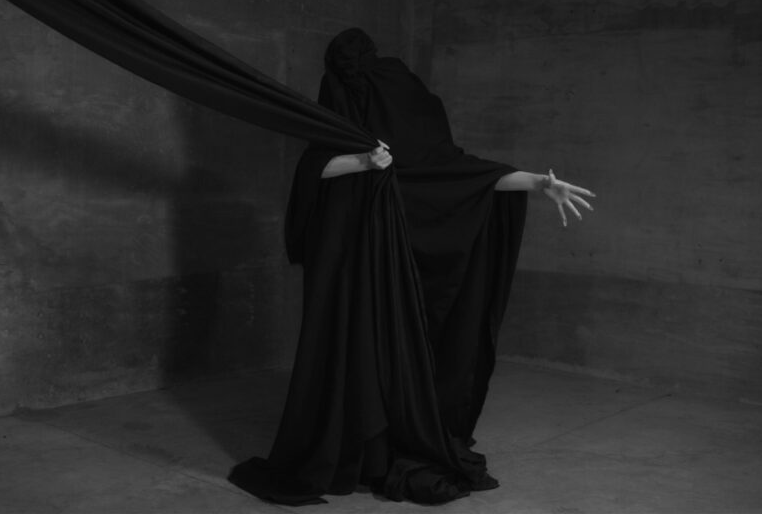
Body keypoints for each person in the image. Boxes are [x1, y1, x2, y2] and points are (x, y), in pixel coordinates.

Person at [229, 28, 594, 506]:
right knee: (357, 351)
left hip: (390, 269)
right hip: (352, 269)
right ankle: (365, 449)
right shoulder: (352, 110)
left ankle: (381, 445)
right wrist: (364, 161)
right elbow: (315, 169)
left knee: (380, 351)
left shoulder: (392, 99)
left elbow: (463, 175)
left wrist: (539, 184)